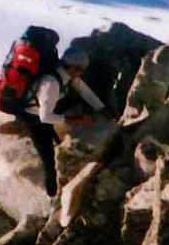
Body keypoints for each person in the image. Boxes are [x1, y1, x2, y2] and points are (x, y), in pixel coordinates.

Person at [13, 45, 109, 196]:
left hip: (46, 109)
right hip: (33, 118)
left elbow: (84, 91)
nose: (82, 73)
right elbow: (45, 117)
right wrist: (77, 120)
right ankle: (52, 195)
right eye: (81, 70)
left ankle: (60, 150)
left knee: (75, 100)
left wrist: (102, 109)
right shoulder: (51, 84)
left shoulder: (66, 74)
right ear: (73, 68)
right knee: (48, 159)